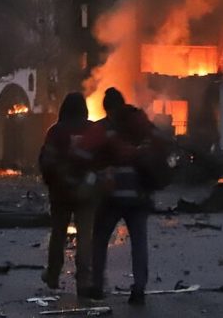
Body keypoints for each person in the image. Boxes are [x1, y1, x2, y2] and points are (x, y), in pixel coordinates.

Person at [86, 87, 167, 305]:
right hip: (139, 195)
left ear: (107, 108)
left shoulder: (104, 127)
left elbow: (86, 153)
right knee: (139, 243)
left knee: (100, 239)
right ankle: (139, 288)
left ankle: (97, 285)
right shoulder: (140, 123)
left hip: (112, 196)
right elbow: (160, 141)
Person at [38, 92, 98, 297]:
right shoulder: (93, 130)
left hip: (60, 192)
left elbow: (47, 161)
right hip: (86, 192)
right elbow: (102, 159)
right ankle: (83, 280)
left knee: (58, 234)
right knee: (85, 237)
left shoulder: (55, 131)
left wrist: (52, 182)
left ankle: (53, 275)